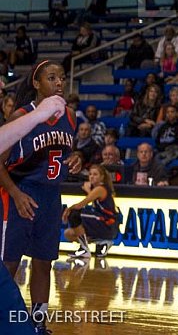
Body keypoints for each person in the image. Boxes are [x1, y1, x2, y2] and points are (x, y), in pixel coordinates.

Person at [1, 61, 81, 332]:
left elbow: (68, 152)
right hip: (22, 193)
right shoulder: (21, 115)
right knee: (9, 265)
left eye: (62, 78)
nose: (59, 83)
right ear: (36, 84)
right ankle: (6, 322)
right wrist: (15, 193)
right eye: (51, 78)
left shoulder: (70, 116)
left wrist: (77, 159)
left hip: (51, 196)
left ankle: (38, 324)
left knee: (44, 264)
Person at [62, 164, 118, 260]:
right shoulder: (96, 190)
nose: (91, 176)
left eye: (95, 174)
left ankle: (85, 249)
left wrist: (68, 210)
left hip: (107, 223)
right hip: (101, 222)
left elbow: (81, 204)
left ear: (102, 177)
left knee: (74, 214)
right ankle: (101, 242)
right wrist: (89, 190)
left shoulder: (101, 188)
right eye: (90, 174)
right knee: (68, 233)